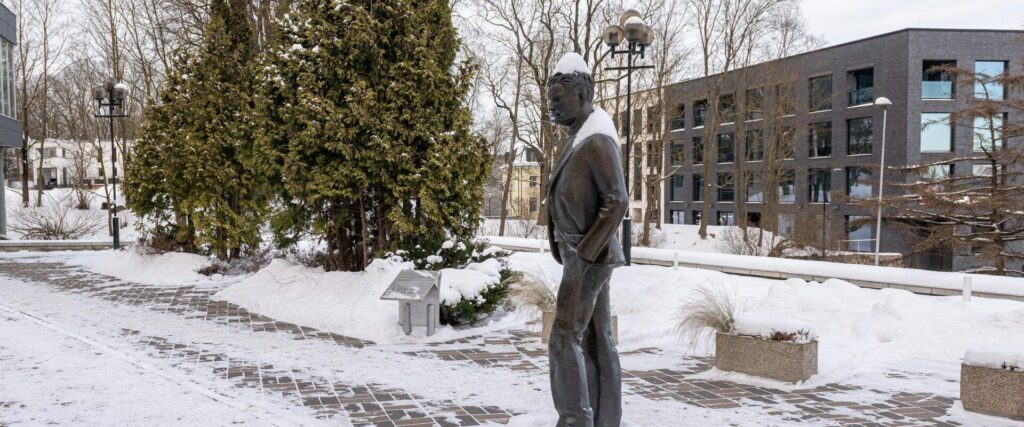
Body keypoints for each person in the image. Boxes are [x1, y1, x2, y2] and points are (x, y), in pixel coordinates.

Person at [545, 52, 628, 427]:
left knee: (564, 338)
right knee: (597, 338)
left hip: (588, 258)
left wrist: (584, 253)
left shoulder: (596, 139)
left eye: (558, 99)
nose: (553, 106)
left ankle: (574, 421)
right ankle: (605, 419)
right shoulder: (584, 133)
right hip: (589, 256)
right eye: (550, 100)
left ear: (581, 95)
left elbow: (617, 200)